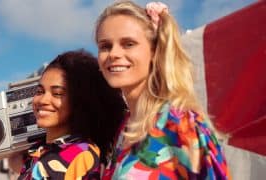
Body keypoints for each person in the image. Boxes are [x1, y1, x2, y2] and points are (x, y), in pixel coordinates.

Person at [95, 1, 231, 179]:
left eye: (128, 44)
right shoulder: (124, 128)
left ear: (154, 51)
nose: (113, 54)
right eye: (105, 46)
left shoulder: (180, 123)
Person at [17, 49, 126, 179]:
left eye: (57, 93)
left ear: (79, 100)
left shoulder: (82, 155)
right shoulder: (37, 150)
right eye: (40, 91)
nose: (42, 100)